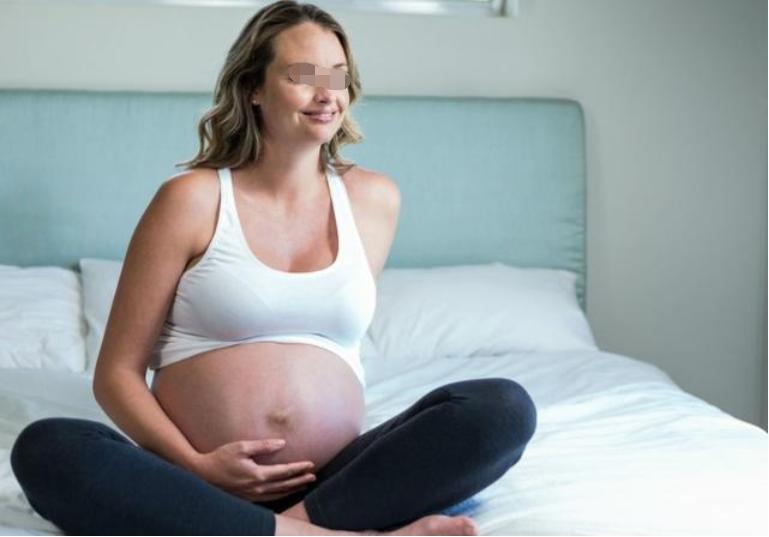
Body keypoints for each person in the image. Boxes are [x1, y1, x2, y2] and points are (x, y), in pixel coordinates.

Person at [9, 1, 537, 535]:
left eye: (339, 77)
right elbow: (116, 375)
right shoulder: (190, 200)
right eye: (302, 76)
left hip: (337, 483)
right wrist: (196, 465)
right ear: (253, 88)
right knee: (48, 448)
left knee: (503, 409)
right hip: (198, 481)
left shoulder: (375, 200)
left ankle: (288, 528)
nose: (327, 93)